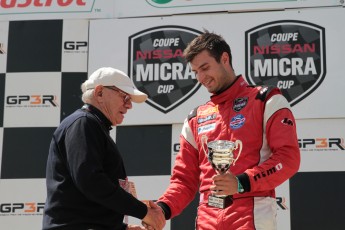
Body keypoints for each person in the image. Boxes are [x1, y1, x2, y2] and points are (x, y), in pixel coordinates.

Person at [156, 31, 301, 229]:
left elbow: (288, 158)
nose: (201, 77)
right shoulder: (195, 118)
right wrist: (162, 209)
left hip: (251, 218)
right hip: (207, 220)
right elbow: (184, 180)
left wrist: (241, 182)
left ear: (225, 59)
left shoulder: (266, 100)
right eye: (196, 72)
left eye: (205, 68)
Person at [42, 67, 166, 230]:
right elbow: (91, 181)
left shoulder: (91, 124)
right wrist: (144, 212)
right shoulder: (83, 122)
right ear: (100, 93)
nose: (129, 106)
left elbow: (88, 200)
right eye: (125, 97)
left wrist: (121, 228)